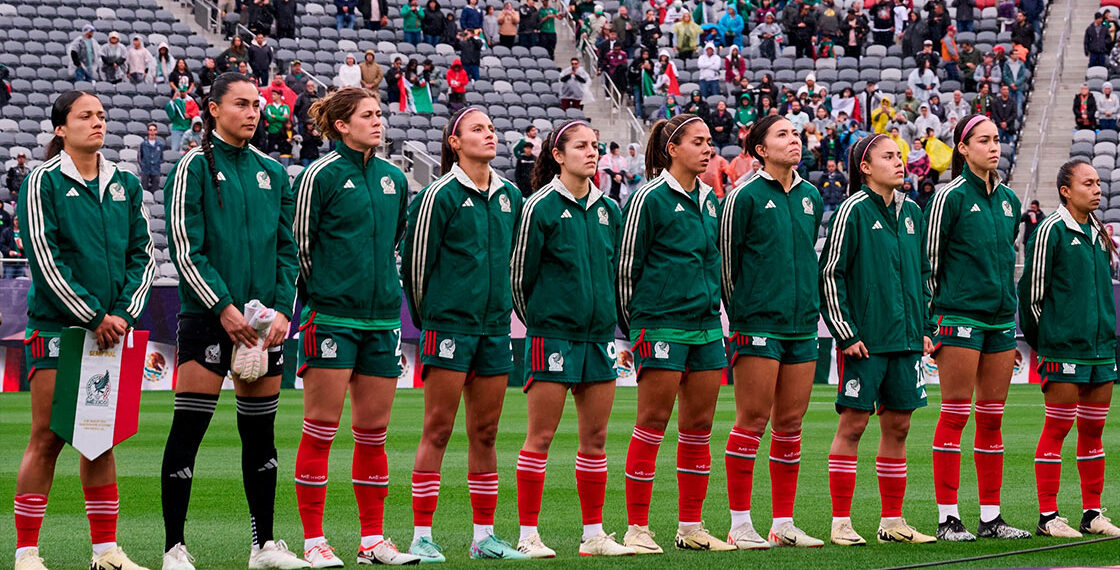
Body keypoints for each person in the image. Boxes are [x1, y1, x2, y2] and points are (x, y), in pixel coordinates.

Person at [159, 73, 306, 570]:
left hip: (263, 324)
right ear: (214, 109)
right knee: (188, 431)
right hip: (207, 318)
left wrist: (283, 309)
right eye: (241, 104)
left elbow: (289, 250)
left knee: (261, 437)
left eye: (257, 105)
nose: (252, 113)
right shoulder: (192, 168)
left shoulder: (274, 171)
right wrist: (222, 306)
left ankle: (263, 546)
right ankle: (173, 548)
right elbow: (185, 247)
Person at [10, 89, 154, 570]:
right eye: (85, 115)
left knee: (99, 438)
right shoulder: (42, 181)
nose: (97, 122)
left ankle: (106, 552)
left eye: (101, 115)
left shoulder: (126, 183)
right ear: (59, 128)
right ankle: (27, 552)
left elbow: (144, 256)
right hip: (59, 327)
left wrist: (124, 314)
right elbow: (43, 256)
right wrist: (94, 315)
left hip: (113, 329)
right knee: (48, 436)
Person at [288, 87, 421, 566]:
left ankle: (372, 541)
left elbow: (394, 243)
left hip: (383, 319)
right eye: (368, 115)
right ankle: (313, 540)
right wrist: (323, 294)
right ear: (342, 125)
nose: (379, 121)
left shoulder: (393, 178)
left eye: (380, 114)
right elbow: (300, 247)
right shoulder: (319, 175)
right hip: (331, 318)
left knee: (374, 433)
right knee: (320, 429)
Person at [400, 107, 527, 562]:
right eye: (478, 129)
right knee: (437, 428)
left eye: (492, 128)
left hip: (494, 328)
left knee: (487, 433)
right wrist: (432, 317)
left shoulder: (511, 195)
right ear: (454, 141)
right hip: (448, 327)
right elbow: (415, 266)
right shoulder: (438, 195)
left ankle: (484, 538)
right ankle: (420, 536)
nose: (489, 134)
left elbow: (517, 265)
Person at [509, 122, 635, 557]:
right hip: (553, 336)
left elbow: (617, 276)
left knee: (595, 440)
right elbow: (519, 278)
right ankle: (528, 535)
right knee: (540, 437)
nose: (591, 152)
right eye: (581, 146)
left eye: (596, 146)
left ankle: (593, 535)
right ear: (558, 155)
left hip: (599, 337)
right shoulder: (538, 206)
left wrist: (614, 324)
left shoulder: (610, 210)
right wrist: (544, 322)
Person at [617, 114, 735, 555]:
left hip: (705, 328)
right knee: (651, 425)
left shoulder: (711, 199)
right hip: (660, 323)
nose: (708, 150)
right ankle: (637, 528)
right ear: (673, 148)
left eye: (710, 142)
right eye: (699, 142)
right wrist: (634, 329)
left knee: (699, 428)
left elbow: (715, 264)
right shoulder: (647, 197)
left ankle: (691, 526)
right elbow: (626, 268)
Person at [818, 133, 938, 547]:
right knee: (852, 425)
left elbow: (924, 273)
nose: (899, 162)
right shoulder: (851, 210)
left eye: (900, 156)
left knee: (900, 427)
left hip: (906, 340)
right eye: (888, 156)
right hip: (865, 341)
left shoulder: (913, 212)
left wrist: (925, 327)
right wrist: (846, 332)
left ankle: (892, 521)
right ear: (865, 167)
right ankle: (840, 522)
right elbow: (830, 273)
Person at [923, 115, 1031, 543]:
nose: (994, 146)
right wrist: (931, 322)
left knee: (991, 420)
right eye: (984, 140)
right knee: (954, 414)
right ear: (963, 148)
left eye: (997, 138)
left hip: (1002, 321)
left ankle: (991, 518)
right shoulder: (948, 196)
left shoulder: (1008, 199)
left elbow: (1006, 259)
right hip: (959, 317)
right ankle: (948, 518)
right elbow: (928, 264)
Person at [719, 114, 824, 549]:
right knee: (753, 421)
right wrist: (744, 313)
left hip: (802, 325)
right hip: (757, 324)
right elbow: (727, 264)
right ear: (760, 149)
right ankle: (740, 524)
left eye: (796, 133)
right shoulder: (742, 195)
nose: (793, 140)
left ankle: (783, 523)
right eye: (782, 134)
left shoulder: (811, 196)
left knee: (790, 424)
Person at [1020, 160, 1120, 539]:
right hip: (1063, 350)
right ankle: (1048, 517)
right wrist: (1045, 343)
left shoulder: (1098, 232)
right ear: (1066, 190)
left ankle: (1092, 513)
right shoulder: (1050, 231)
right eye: (1088, 183)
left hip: (1101, 351)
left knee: (1094, 431)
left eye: (1098, 182)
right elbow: (1030, 297)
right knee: (1058, 428)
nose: (1097, 189)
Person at [165, 87, 200, 153]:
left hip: (188, 128)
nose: (182, 93)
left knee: (188, 149)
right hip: (177, 128)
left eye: (183, 92)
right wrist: (173, 100)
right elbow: (169, 111)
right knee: (175, 149)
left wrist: (190, 116)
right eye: (180, 92)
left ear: (186, 91)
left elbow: (196, 114)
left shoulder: (191, 101)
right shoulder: (175, 101)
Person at [138, 123, 165, 196]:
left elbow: (161, 157)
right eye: (150, 130)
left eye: (154, 130)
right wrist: (144, 165)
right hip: (145, 169)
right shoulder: (143, 144)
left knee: (155, 189)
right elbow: (140, 157)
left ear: (156, 131)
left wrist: (157, 163)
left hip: (156, 170)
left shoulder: (160, 144)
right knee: (144, 189)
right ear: (148, 131)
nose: (152, 132)